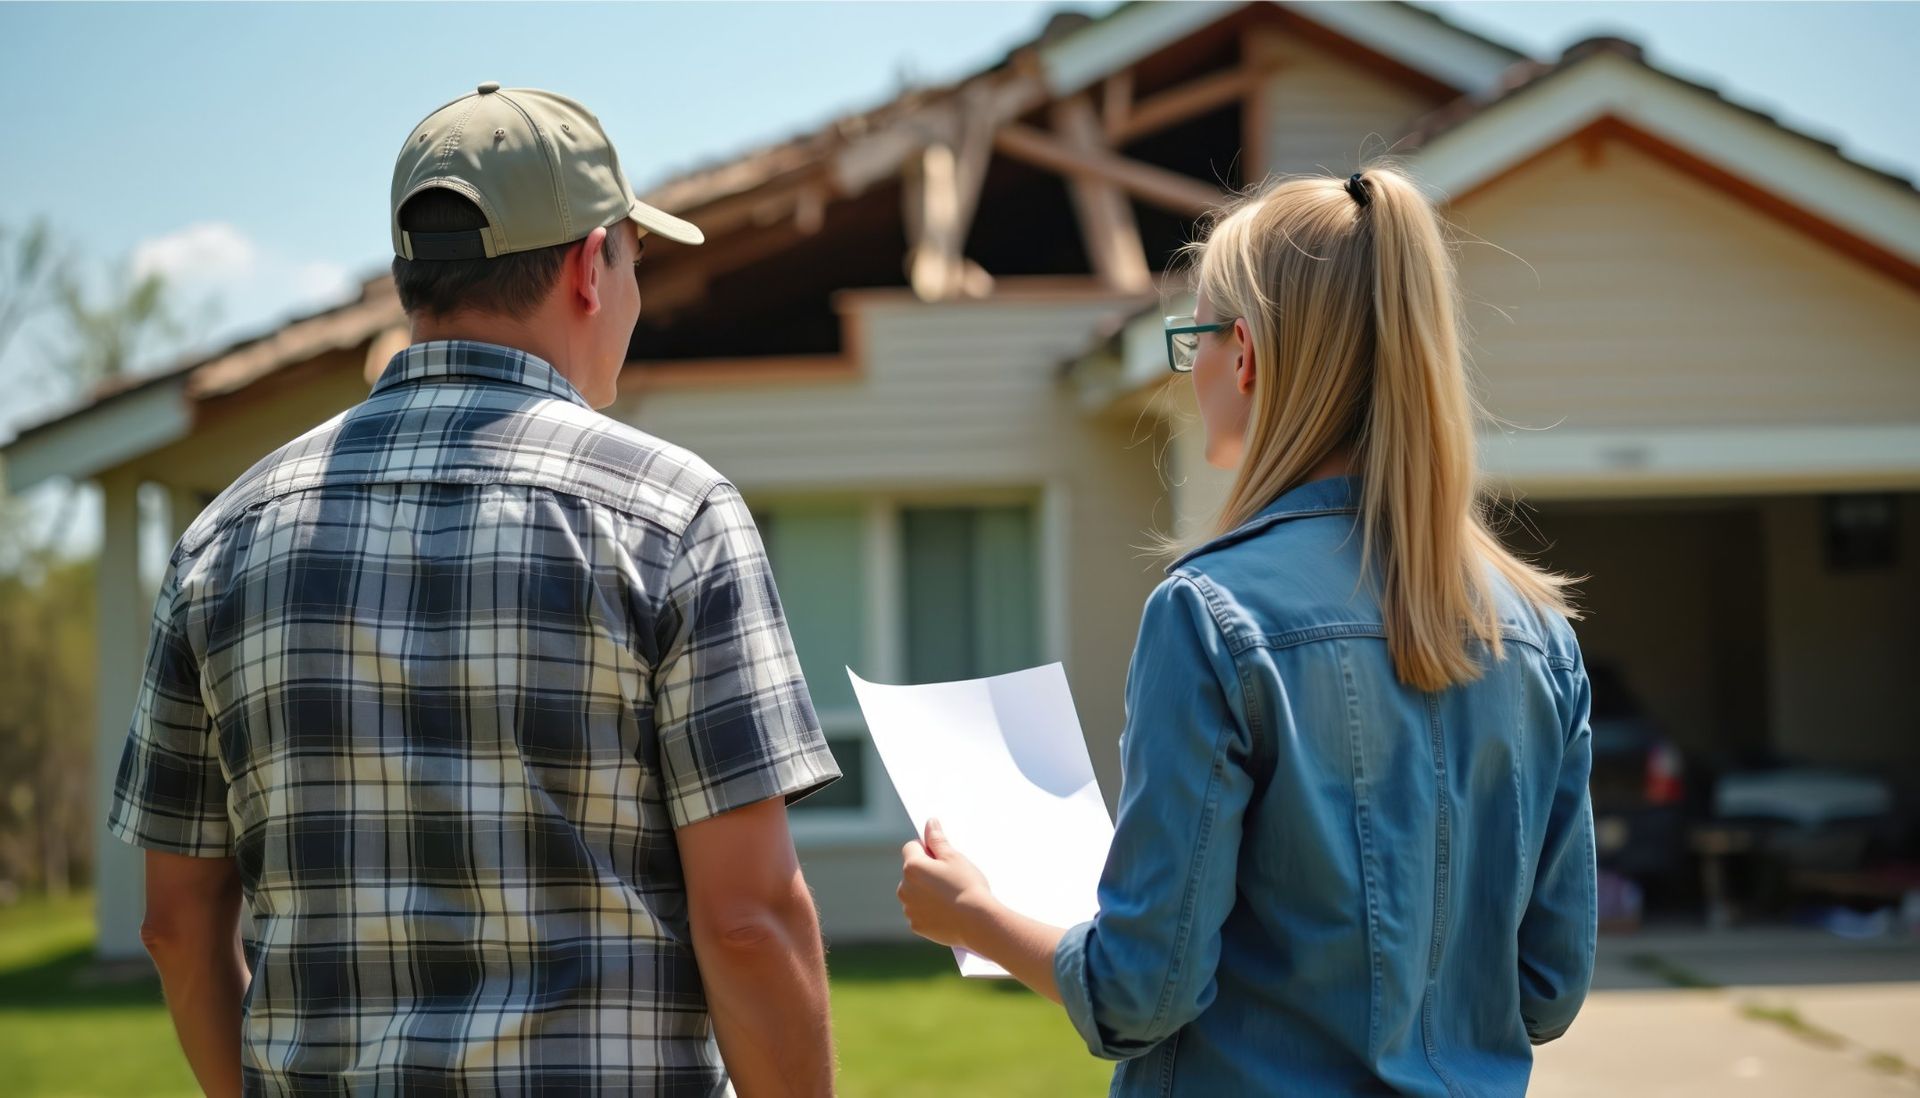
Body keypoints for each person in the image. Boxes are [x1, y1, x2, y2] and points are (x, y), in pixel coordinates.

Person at [108, 83, 841, 1097]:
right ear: (592, 268)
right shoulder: (675, 517)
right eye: (634, 259)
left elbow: (173, 922)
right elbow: (748, 920)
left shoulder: (222, 539)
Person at [898, 164, 1596, 1096]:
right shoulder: (1540, 636)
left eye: (1194, 340)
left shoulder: (1210, 614)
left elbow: (1139, 995)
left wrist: (975, 915)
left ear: (1249, 356)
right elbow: (1546, 990)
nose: (1190, 374)